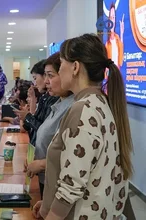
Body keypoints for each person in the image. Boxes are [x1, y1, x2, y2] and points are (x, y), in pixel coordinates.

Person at [33, 34, 132, 220]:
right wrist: (47, 203)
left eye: (61, 64)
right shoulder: (100, 102)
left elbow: (71, 186)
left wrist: (52, 214)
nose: (59, 70)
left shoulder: (82, 109)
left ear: (75, 67)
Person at [24, 52, 74, 199]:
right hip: (49, 181)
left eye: (50, 76)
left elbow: (72, 157)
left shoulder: (74, 107)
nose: (46, 81)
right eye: (45, 76)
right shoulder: (58, 103)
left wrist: (40, 164)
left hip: (60, 187)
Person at [15, 60, 59, 145]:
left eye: (35, 78)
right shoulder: (45, 97)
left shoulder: (53, 100)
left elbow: (44, 131)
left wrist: (27, 116)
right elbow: (27, 126)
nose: (34, 83)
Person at [105, 2, 124, 69]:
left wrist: (122, 33)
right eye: (111, 17)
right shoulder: (107, 44)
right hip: (111, 76)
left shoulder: (117, 38)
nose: (113, 20)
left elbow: (121, 53)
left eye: (114, 17)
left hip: (117, 74)